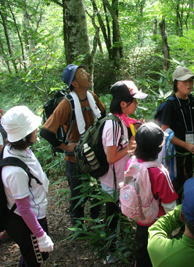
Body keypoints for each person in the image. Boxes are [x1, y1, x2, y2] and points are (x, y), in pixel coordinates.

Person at [40, 64, 106, 229]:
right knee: (77, 193)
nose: (87, 74)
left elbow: (102, 115)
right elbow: (46, 132)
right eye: (82, 73)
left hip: (94, 153)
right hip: (75, 158)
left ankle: (96, 220)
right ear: (75, 83)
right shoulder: (66, 104)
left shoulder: (92, 96)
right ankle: (78, 228)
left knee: (97, 187)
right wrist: (65, 147)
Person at [1, 106, 54, 266]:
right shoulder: (15, 171)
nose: (37, 129)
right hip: (25, 222)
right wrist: (40, 235)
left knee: (31, 256)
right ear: (24, 136)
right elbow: (23, 208)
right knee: (34, 260)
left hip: (33, 216)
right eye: (33, 128)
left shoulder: (17, 149)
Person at [100, 80, 147, 262]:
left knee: (120, 212)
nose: (137, 104)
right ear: (122, 104)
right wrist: (130, 145)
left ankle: (121, 246)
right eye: (134, 101)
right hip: (112, 180)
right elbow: (111, 157)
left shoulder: (124, 120)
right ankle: (111, 253)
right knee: (112, 214)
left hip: (121, 176)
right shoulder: (112, 125)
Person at [130, 122, 179, 267]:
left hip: (139, 218)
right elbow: (169, 203)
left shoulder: (132, 162)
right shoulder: (159, 172)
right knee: (157, 256)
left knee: (142, 249)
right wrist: (175, 228)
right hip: (158, 223)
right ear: (159, 148)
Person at [157, 67, 194, 196]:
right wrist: (186, 145)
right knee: (177, 179)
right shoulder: (170, 104)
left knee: (188, 175)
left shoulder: (193, 101)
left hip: (189, 148)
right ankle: (178, 207)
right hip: (174, 151)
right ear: (176, 84)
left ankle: (188, 201)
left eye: (190, 81)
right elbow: (165, 131)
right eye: (184, 81)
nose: (189, 84)